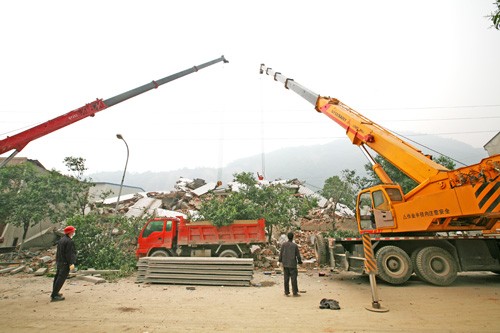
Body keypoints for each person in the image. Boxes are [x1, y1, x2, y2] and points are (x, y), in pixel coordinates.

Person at [51, 225, 77, 302]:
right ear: (70, 232)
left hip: (59, 261)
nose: (74, 232)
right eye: (73, 231)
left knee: (57, 277)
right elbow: (69, 253)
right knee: (61, 279)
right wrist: (71, 263)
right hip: (65, 262)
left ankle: (55, 292)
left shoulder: (62, 240)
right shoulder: (69, 241)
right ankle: (54, 295)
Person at [278, 231, 303, 297]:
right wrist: (300, 262)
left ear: (287, 237)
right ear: (293, 237)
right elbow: (298, 255)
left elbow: (281, 254)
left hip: (285, 264)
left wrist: (280, 260)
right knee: (293, 279)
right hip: (292, 264)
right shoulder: (295, 246)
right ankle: (295, 292)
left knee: (286, 279)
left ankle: (286, 292)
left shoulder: (284, 245)